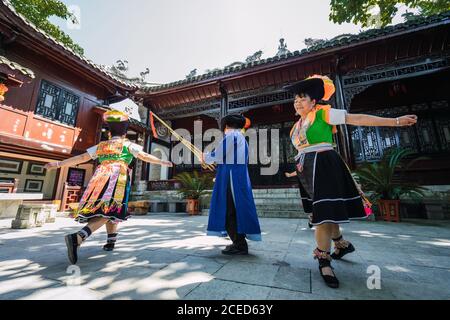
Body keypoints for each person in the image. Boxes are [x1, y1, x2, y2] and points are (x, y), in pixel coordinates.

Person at [285, 75, 417, 288]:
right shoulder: (296, 126)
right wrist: (296, 173)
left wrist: (395, 121)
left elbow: (357, 119)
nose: (297, 102)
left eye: (302, 98)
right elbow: (303, 152)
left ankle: (323, 259)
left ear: (314, 101)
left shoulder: (324, 113)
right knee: (328, 210)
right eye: (295, 99)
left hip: (326, 166)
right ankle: (341, 244)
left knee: (323, 214)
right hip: (307, 171)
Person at [45, 110, 173, 264]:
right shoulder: (127, 144)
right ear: (125, 132)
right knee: (110, 209)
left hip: (99, 178)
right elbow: (144, 156)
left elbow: (82, 157)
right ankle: (78, 237)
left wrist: (58, 164)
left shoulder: (101, 145)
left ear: (110, 132)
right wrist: (162, 162)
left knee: (108, 209)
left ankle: (111, 241)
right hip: (117, 177)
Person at [202, 114, 262, 255]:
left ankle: (239, 244)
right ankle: (239, 242)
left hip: (231, 177)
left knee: (229, 209)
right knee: (235, 208)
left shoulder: (231, 136)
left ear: (226, 126)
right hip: (237, 176)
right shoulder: (241, 138)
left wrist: (205, 157)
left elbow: (217, 155)